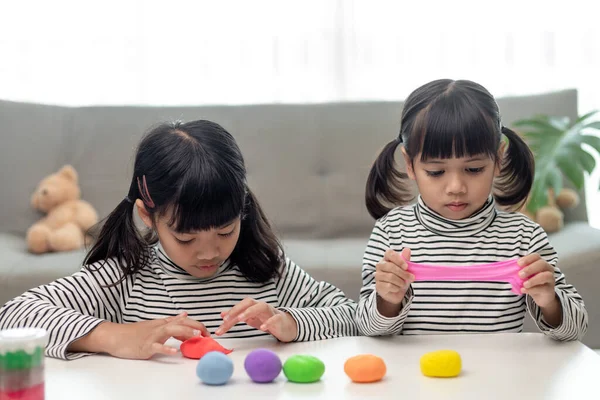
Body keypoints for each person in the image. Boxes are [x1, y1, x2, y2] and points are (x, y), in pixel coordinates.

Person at [0, 120, 358, 360]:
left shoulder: (266, 269)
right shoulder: (125, 276)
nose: (209, 252)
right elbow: (12, 317)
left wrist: (292, 322)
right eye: (185, 237)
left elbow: (350, 315)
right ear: (147, 216)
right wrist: (114, 337)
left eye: (225, 231)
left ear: (242, 209)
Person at [356, 79, 587, 341]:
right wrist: (387, 301)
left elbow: (575, 329)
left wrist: (550, 301)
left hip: (496, 376)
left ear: (498, 158)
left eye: (474, 169)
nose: (456, 187)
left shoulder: (524, 237)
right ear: (410, 164)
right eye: (436, 172)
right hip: (416, 377)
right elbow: (367, 328)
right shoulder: (391, 232)